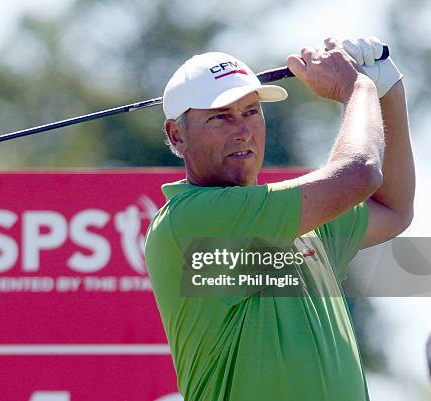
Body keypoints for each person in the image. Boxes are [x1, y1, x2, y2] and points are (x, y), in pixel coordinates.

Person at [144, 36, 414, 401]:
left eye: (252, 111)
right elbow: (359, 173)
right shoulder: (190, 220)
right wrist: (357, 88)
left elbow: (392, 208)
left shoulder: (291, 219)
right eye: (220, 116)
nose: (243, 130)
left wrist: (389, 93)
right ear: (177, 134)